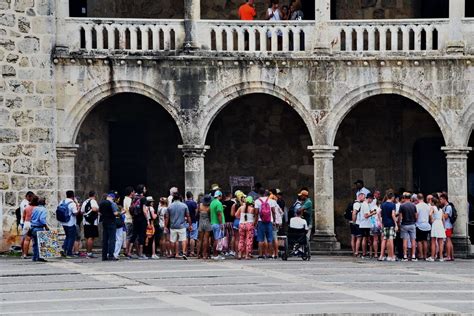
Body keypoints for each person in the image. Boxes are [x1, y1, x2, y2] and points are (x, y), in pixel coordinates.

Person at [166, 194, 192, 259]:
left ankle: (172, 253)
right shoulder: (184, 205)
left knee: (172, 240)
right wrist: (190, 225)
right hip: (182, 225)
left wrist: (165, 226)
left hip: (173, 226)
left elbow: (167, 217)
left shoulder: (170, 206)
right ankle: (184, 252)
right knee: (183, 239)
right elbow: (188, 216)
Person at [255, 189, 277, 259]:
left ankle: (260, 255)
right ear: (265, 193)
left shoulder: (257, 201)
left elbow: (256, 213)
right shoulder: (271, 201)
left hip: (260, 221)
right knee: (270, 239)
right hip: (269, 221)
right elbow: (273, 211)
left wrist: (255, 222)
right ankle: (270, 255)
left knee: (260, 239)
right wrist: (274, 220)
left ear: (259, 194)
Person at [99, 192, 120, 261]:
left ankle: (104, 256)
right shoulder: (112, 203)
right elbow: (115, 213)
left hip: (104, 222)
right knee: (112, 239)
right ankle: (111, 255)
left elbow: (99, 212)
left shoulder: (101, 203)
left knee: (105, 239)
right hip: (111, 222)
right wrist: (120, 213)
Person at [59, 190, 79, 258]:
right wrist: (78, 206)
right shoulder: (72, 203)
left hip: (63, 222)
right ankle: (69, 252)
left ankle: (64, 249)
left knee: (67, 236)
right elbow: (75, 213)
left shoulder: (62, 201)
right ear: (73, 196)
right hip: (71, 223)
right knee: (71, 237)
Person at [378, 192, 398, 261]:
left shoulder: (382, 204)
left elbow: (378, 213)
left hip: (384, 223)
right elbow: (393, 214)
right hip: (390, 223)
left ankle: (381, 255)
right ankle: (392, 256)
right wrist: (396, 224)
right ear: (392, 197)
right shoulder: (393, 205)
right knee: (391, 240)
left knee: (383, 240)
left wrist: (380, 221)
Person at [399, 192, 418, 262]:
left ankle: (405, 256)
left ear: (404, 198)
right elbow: (416, 216)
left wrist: (399, 224)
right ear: (410, 198)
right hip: (412, 224)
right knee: (413, 240)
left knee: (405, 240)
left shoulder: (402, 206)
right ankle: (413, 256)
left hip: (404, 224)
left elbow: (400, 217)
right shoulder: (413, 206)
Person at [355, 193, 374, 258]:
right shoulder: (365, 205)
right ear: (369, 198)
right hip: (365, 224)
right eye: (372, 199)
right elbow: (366, 216)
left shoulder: (365, 204)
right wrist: (373, 213)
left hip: (364, 224)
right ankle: (364, 253)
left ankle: (364, 252)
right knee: (364, 238)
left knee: (364, 238)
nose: (372, 201)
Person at [30, 197, 49, 262]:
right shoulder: (43, 209)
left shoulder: (35, 208)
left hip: (33, 227)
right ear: (44, 203)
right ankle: (39, 257)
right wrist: (46, 226)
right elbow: (42, 219)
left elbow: (31, 217)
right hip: (39, 227)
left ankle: (35, 257)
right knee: (40, 244)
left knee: (35, 243)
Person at [81, 191, 99, 259]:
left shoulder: (85, 202)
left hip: (85, 221)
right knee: (91, 237)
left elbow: (82, 211)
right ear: (94, 195)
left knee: (87, 237)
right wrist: (98, 209)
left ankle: (87, 252)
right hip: (92, 222)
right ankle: (89, 253)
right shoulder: (93, 201)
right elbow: (94, 209)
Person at [427, 196, 446, 262]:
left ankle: (432, 256)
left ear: (432, 202)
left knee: (433, 241)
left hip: (435, 223)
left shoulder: (433, 207)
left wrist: (432, 219)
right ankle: (441, 257)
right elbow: (443, 219)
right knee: (440, 242)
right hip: (440, 223)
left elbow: (429, 214)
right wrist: (444, 227)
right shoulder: (440, 209)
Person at [210, 190, 225, 260]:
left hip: (213, 223)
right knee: (217, 240)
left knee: (215, 239)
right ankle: (216, 255)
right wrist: (221, 223)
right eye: (221, 196)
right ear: (219, 196)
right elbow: (219, 214)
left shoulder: (212, 203)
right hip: (217, 223)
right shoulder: (218, 203)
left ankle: (214, 254)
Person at [415, 193, 431, 260]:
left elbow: (416, 216)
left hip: (419, 225)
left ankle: (421, 255)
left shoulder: (417, 206)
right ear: (423, 198)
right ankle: (425, 255)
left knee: (419, 241)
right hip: (426, 225)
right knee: (425, 240)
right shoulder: (427, 206)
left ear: (417, 199)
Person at [440, 193, 454, 261]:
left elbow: (446, 216)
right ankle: (451, 256)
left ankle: (448, 256)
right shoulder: (446, 207)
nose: (440, 200)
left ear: (445, 199)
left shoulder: (448, 207)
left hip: (447, 225)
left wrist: (440, 213)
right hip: (448, 225)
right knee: (449, 240)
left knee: (448, 240)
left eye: (441, 199)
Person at [197, 195, 213, 259]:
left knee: (200, 239)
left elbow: (197, 213)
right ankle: (204, 254)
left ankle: (198, 254)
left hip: (201, 222)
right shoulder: (209, 207)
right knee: (206, 239)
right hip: (207, 222)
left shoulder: (200, 205)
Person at [21, 195, 36, 259]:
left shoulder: (26, 207)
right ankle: (36, 254)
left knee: (26, 239)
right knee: (35, 239)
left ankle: (24, 254)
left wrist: (25, 222)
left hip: (26, 223)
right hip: (33, 223)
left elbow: (23, 216)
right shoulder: (36, 208)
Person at [184, 192, 198, 256]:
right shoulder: (194, 203)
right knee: (192, 237)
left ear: (186, 196)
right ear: (192, 196)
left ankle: (186, 251)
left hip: (185, 221)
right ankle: (192, 252)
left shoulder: (184, 203)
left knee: (186, 237)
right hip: (193, 221)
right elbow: (196, 212)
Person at [123, 187, 135, 259]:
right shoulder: (129, 200)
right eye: (133, 192)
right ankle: (127, 251)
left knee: (128, 236)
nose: (134, 193)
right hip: (129, 219)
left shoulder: (125, 199)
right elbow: (131, 209)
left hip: (126, 219)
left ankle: (127, 250)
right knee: (129, 236)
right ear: (131, 192)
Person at [222, 192, 235, 256]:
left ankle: (225, 250)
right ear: (230, 195)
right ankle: (232, 250)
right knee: (232, 236)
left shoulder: (222, 203)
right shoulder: (232, 203)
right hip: (231, 221)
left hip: (224, 221)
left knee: (225, 236)